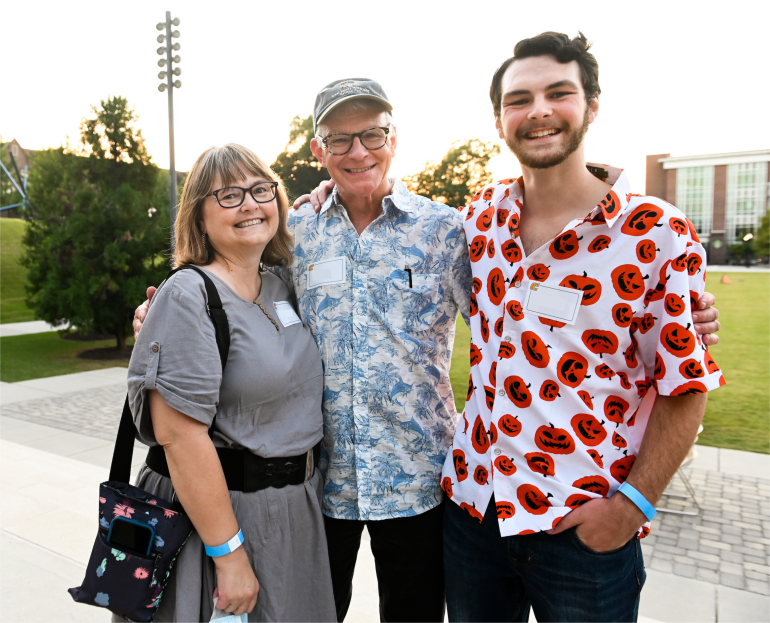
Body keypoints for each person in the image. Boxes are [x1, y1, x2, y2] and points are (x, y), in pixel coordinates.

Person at [135, 81, 721, 622]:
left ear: (394, 140)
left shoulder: (448, 231)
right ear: (319, 151)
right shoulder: (297, 231)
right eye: (340, 139)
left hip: (419, 483)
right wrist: (161, 315)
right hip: (318, 487)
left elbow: (517, 310)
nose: (358, 150)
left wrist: (684, 316)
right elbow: (238, 289)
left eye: (373, 134)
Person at [439, 32, 725, 622]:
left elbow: (687, 385)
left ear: (591, 106)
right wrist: (328, 199)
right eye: (519, 99)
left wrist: (631, 508)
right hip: (475, 513)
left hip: (583, 524)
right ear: (500, 121)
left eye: (558, 93)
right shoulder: (479, 220)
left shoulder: (654, 233)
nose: (538, 110)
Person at [126, 144, 335, 622]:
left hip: (294, 514)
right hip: (220, 521)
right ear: (199, 217)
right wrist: (229, 554)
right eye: (228, 195)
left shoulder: (280, 286)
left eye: (261, 190)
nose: (249, 204)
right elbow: (178, 436)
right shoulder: (187, 293)